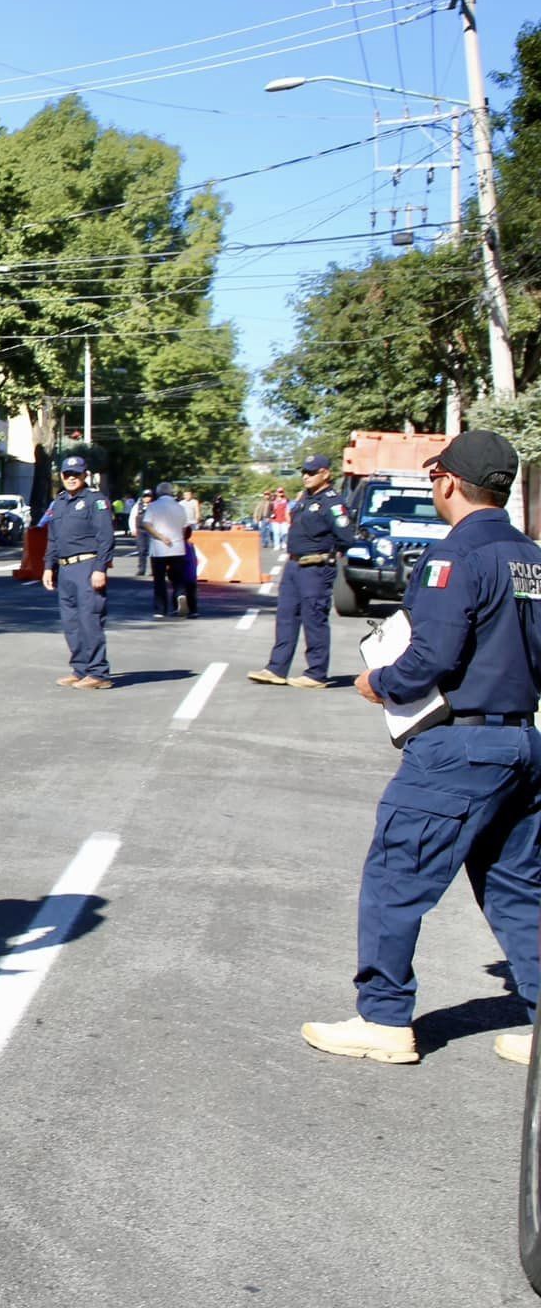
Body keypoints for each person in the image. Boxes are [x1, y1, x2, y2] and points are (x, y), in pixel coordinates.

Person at [302, 430, 541, 1067]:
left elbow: (429, 657)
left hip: (458, 747)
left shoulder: (454, 557)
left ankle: (382, 1020)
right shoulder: (531, 557)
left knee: (394, 879)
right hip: (522, 738)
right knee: (518, 887)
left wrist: (377, 682)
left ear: (448, 482)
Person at [250, 454, 349, 689]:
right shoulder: (305, 498)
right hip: (294, 565)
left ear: (325, 474)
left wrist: (329, 555)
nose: (306, 476)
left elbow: (346, 536)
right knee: (286, 617)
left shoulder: (332, 503)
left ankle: (316, 673)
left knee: (314, 618)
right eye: (304, 471)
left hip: (315, 567)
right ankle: (277, 668)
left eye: (312, 472)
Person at [42, 454, 115, 690]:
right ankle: (80, 669)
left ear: (85, 475)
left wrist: (100, 568)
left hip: (87, 566)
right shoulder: (59, 502)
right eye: (67, 474)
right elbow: (53, 538)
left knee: (89, 619)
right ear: (61, 476)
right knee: (70, 622)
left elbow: (105, 537)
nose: (71, 478)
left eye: (76, 474)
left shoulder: (96, 500)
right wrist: (47, 566)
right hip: (65, 569)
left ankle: (98, 673)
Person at [140, 481, 191, 619]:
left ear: (158, 493)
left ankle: (160, 610)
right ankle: (180, 595)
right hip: (178, 547)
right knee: (178, 578)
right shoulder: (180, 507)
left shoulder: (153, 506)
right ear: (171, 492)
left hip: (159, 548)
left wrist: (161, 536)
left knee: (159, 579)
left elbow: (146, 523)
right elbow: (185, 527)